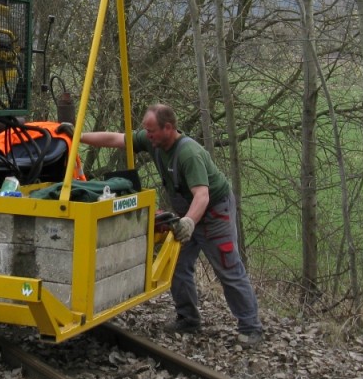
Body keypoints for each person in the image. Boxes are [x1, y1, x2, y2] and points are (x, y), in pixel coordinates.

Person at [80, 103, 264, 346]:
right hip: (188, 211)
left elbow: (202, 195)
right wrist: (77, 136)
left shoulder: (189, 154)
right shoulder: (152, 140)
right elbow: (116, 138)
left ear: (168, 128)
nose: (147, 135)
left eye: (152, 130)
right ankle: (188, 320)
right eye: (145, 130)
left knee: (228, 267)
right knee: (176, 265)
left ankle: (251, 328)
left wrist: (188, 222)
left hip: (213, 213)